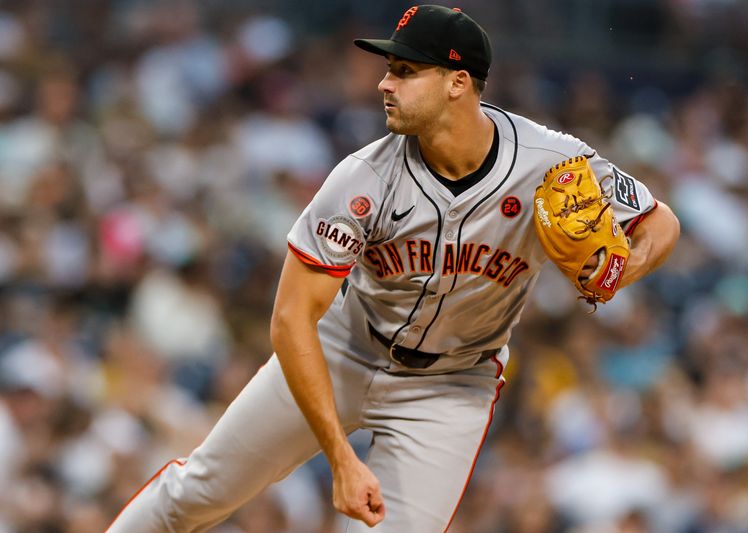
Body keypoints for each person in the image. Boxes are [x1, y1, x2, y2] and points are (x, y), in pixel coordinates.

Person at [108, 5, 680, 532]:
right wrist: (340, 456)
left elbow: (661, 224)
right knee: (199, 492)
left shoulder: (551, 162)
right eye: (389, 68)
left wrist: (620, 270)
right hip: (343, 350)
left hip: (452, 383)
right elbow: (289, 321)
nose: (384, 82)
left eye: (405, 70)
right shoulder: (363, 178)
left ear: (458, 83)